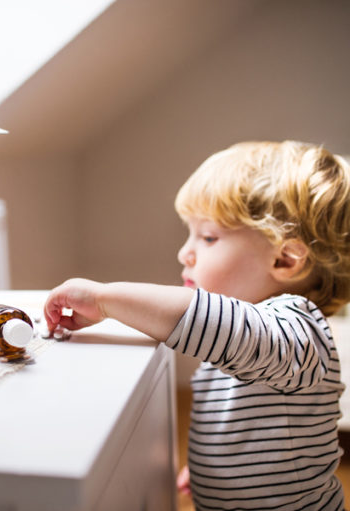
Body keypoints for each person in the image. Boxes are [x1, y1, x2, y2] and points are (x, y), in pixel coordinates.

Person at [44, 141, 350, 510]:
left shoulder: (300, 329)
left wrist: (106, 299)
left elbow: (214, 322)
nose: (184, 252)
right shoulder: (238, 340)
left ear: (285, 259)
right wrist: (213, 467)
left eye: (207, 237)